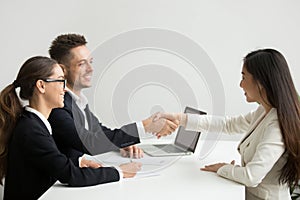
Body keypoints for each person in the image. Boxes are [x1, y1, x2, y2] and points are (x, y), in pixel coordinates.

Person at [155, 49, 300, 199]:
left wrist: (223, 168)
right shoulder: (264, 112)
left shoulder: (276, 125)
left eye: (244, 77)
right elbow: (228, 124)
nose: (240, 84)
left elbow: (251, 177)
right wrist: (180, 119)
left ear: (261, 83)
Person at [0, 56, 142, 199]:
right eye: (61, 81)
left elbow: (49, 162)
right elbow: (70, 176)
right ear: (41, 86)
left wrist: (78, 161)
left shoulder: (34, 123)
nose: (65, 89)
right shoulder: (31, 130)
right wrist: (118, 172)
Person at [48, 33, 178, 159]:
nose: (90, 69)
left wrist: (121, 144)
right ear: (62, 70)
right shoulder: (57, 105)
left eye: (90, 62)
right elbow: (89, 143)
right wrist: (145, 126)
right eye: (82, 64)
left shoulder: (78, 101)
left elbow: (99, 133)